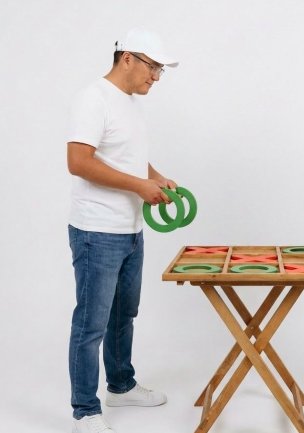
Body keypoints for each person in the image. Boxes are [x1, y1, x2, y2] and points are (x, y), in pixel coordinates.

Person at [67, 28, 179, 433]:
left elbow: (126, 157)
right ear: (127, 58)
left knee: (123, 315)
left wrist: (156, 178)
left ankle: (121, 385)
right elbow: (79, 162)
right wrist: (139, 187)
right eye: (153, 68)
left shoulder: (130, 103)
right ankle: (85, 411)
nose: (156, 77)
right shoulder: (93, 98)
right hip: (97, 231)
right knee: (91, 324)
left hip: (131, 229)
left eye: (161, 70)